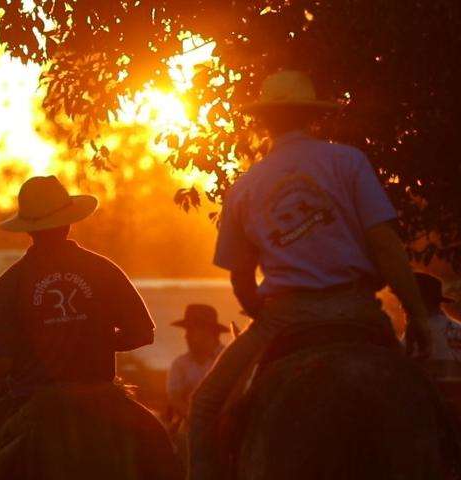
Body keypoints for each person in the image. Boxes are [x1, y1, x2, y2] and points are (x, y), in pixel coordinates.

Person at [188, 70, 433, 479]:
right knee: (426, 402)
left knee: (204, 407)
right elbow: (385, 245)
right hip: (358, 311)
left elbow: (240, 278)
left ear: (265, 121)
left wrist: (258, 311)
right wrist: (417, 315)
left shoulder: (247, 185)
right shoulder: (349, 161)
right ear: (311, 116)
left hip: (286, 317)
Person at [0, 176, 156, 480]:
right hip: (100, 395)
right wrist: (96, 342)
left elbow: (4, 363)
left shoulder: (10, 283)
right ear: (69, 223)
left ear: (28, 229)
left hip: (33, 399)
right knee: (163, 452)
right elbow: (142, 333)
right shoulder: (102, 270)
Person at [167, 304, 228, 421]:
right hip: (189, 424)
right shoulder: (180, 363)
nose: (186, 336)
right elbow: (175, 398)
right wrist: (195, 419)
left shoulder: (228, 359)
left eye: (190, 330)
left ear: (208, 332)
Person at [413, 272, 461, 380]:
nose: (401, 306)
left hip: (433, 395)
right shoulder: (459, 328)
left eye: (405, 300)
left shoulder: (418, 334)